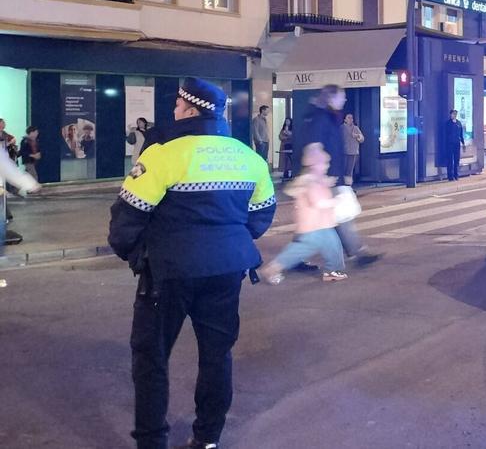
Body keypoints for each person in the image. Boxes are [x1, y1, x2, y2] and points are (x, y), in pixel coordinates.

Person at [107, 77, 276, 449]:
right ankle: (207, 438)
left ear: (191, 110)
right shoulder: (248, 157)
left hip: (169, 273)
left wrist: (137, 254)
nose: (173, 113)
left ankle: (152, 442)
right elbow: (261, 215)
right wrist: (226, 242)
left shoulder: (163, 153)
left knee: (151, 358)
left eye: (177, 108)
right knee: (217, 356)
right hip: (227, 270)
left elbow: (126, 219)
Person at [293, 85, 379, 268]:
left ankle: (355, 252)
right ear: (331, 98)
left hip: (330, 176)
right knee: (334, 217)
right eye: (342, 97)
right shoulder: (321, 118)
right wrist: (323, 176)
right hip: (324, 178)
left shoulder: (325, 116)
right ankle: (356, 253)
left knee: (333, 217)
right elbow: (314, 148)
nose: (345, 100)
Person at [260, 144, 347, 284]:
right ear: (315, 165)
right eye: (324, 163)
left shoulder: (313, 179)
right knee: (302, 250)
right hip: (315, 225)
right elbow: (318, 203)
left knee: (330, 246)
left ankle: (332, 271)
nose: (326, 166)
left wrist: (327, 183)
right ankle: (273, 268)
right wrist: (336, 201)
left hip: (318, 224)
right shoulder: (311, 182)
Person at [441, 110, 466, 181]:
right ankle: (450, 176)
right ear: (450, 115)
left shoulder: (459, 123)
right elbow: (445, 134)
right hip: (449, 144)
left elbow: (461, 134)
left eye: (455, 114)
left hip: (457, 144)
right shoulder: (448, 123)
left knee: (456, 160)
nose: (453, 115)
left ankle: (456, 175)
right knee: (450, 160)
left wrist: (463, 143)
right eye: (452, 114)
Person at [342, 113, 365, 186]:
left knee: (350, 170)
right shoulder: (341, 128)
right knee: (343, 169)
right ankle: (342, 186)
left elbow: (362, 139)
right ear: (345, 119)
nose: (350, 119)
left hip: (353, 151)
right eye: (348, 118)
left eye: (351, 118)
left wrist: (357, 136)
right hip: (343, 152)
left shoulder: (355, 128)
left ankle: (348, 186)